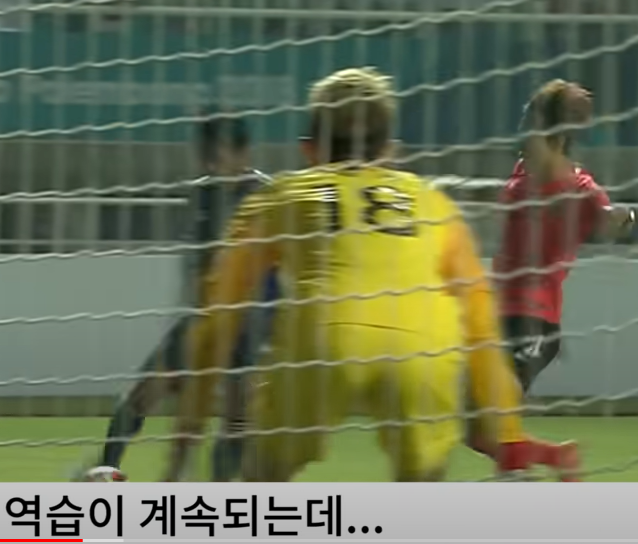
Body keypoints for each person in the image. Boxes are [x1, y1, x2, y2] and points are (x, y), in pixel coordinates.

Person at [166, 67, 547, 482]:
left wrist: (188, 429)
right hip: (419, 344)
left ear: (309, 150)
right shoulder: (434, 204)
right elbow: (480, 323)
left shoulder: (280, 196)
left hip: (321, 338)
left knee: (263, 476)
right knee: (424, 481)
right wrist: (507, 433)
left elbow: (219, 314)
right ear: (391, 150)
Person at [80, 110, 278, 481]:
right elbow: (197, 263)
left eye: (218, 155)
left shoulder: (267, 196)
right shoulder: (203, 194)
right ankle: (107, 472)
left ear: (243, 152)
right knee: (140, 395)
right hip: (202, 319)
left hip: (248, 326)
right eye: (207, 157)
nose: (212, 164)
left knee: (237, 420)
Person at [466, 80, 635, 479]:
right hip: (493, 314)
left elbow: (611, 221)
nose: (524, 138)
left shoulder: (582, 190)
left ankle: (518, 485)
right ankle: (558, 458)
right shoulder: (522, 171)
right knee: (471, 430)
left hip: (534, 321)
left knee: (498, 412)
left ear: (557, 137)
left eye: (534, 130)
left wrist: (624, 218)